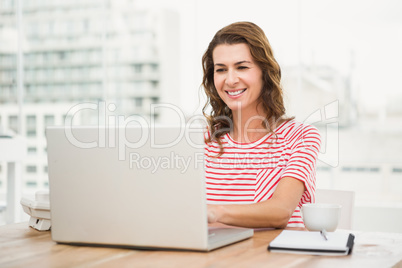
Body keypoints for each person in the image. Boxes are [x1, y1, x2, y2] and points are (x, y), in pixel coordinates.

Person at [202, 21, 321, 229]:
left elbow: (280, 212)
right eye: (221, 70)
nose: (230, 80)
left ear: (264, 72)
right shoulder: (204, 139)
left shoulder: (301, 137)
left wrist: (215, 211)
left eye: (242, 67)